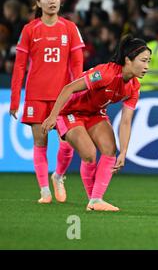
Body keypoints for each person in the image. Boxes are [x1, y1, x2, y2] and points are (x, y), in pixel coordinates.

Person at [41, 35, 151, 211]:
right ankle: (89, 197)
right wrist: (53, 116)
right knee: (89, 153)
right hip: (70, 112)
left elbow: (126, 121)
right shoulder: (105, 73)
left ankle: (95, 200)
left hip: (94, 113)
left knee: (110, 151)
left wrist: (124, 151)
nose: (147, 67)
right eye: (143, 61)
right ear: (128, 60)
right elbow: (69, 88)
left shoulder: (134, 86)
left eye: (149, 62)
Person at [9, 0, 84, 204]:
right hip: (36, 95)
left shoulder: (69, 28)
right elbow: (19, 67)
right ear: (38, 3)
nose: (52, 1)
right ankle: (44, 191)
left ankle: (58, 176)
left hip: (63, 96)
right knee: (40, 142)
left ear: (61, 1)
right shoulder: (29, 29)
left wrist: (77, 92)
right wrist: (15, 99)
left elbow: (77, 63)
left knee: (67, 143)